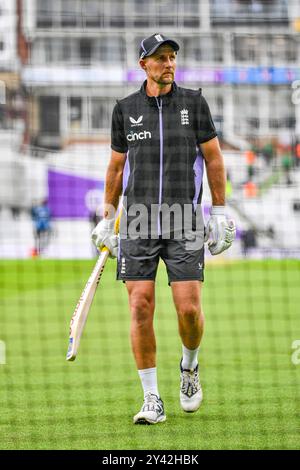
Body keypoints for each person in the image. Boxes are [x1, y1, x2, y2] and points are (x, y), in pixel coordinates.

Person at [91, 34, 236, 424]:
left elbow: (214, 159)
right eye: (161, 58)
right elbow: (116, 169)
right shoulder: (125, 109)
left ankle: (189, 367)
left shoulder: (194, 103)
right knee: (140, 306)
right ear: (144, 65)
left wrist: (219, 211)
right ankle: (152, 398)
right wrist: (108, 218)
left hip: (184, 218)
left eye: (172, 57)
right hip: (137, 220)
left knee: (188, 310)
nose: (168, 63)